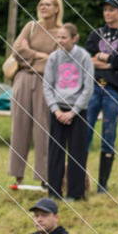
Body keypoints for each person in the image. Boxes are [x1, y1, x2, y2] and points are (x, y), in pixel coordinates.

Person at [9, 0, 64, 188]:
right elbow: (17, 50)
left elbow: (56, 59)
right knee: (19, 127)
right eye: (41, 4)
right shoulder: (31, 27)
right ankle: (17, 176)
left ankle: (44, 177)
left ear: (57, 8)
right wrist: (41, 55)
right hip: (23, 80)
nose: (43, 7)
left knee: (43, 129)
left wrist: (30, 55)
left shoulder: (60, 32)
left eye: (48, 4)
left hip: (45, 83)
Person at [85, 0, 118, 194]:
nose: (108, 13)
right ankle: (79, 178)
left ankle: (102, 185)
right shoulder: (96, 33)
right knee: (85, 132)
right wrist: (112, 61)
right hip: (94, 87)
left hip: (114, 89)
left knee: (108, 133)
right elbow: (87, 59)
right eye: (105, 9)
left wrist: (103, 57)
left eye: (112, 10)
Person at [43, 23, 94, 201]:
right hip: (58, 110)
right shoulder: (53, 58)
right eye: (58, 37)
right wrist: (56, 110)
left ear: (74, 38)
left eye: (64, 37)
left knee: (77, 152)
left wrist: (73, 112)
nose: (60, 41)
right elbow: (47, 86)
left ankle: (75, 193)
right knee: (55, 152)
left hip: (77, 111)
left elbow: (88, 89)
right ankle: (54, 191)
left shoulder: (84, 57)